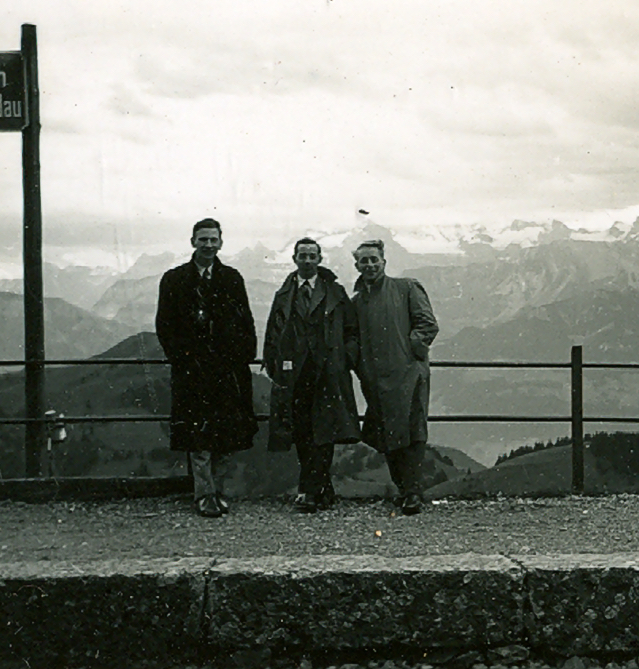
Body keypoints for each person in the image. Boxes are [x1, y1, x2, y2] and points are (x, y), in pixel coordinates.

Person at [155, 218, 258, 518]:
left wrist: (242, 359)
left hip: (226, 370)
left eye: (213, 240)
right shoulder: (174, 279)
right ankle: (204, 494)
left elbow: (246, 320)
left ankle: (219, 491)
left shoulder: (232, 278)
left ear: (221, 243)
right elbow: (164, 325)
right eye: (203, 239)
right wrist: (182, 359)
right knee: (197, 435)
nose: (209, 245)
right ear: (193, 242)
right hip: (192, 370)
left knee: (226, 432)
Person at [263, 237, 361, 513]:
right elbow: (272, 332)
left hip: (327, 373)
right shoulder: (284, 294)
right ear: (294, 259)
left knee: (324, 431)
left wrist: (344, 360)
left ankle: (310, 490)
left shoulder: (335, 292)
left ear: (319, 259)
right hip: (295, 374)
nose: (307, 260)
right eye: (302, 256)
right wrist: (274, 366)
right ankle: (321, 488)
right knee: (302, 431)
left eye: (312, 256)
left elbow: (352, 331)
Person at [351, 239, 438, 515]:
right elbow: (351, 337)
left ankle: (413, 492)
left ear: (384, 262)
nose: (370, 265)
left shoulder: (406, 288)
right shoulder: (357, 302)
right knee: (387, 432)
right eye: (364, 261)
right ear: (357, 265)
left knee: (412, 430)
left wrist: (410, 351)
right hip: (375, 379)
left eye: (374, 259)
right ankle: (403, 490)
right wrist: (360, 364)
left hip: (408, 374)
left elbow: (427, 325)